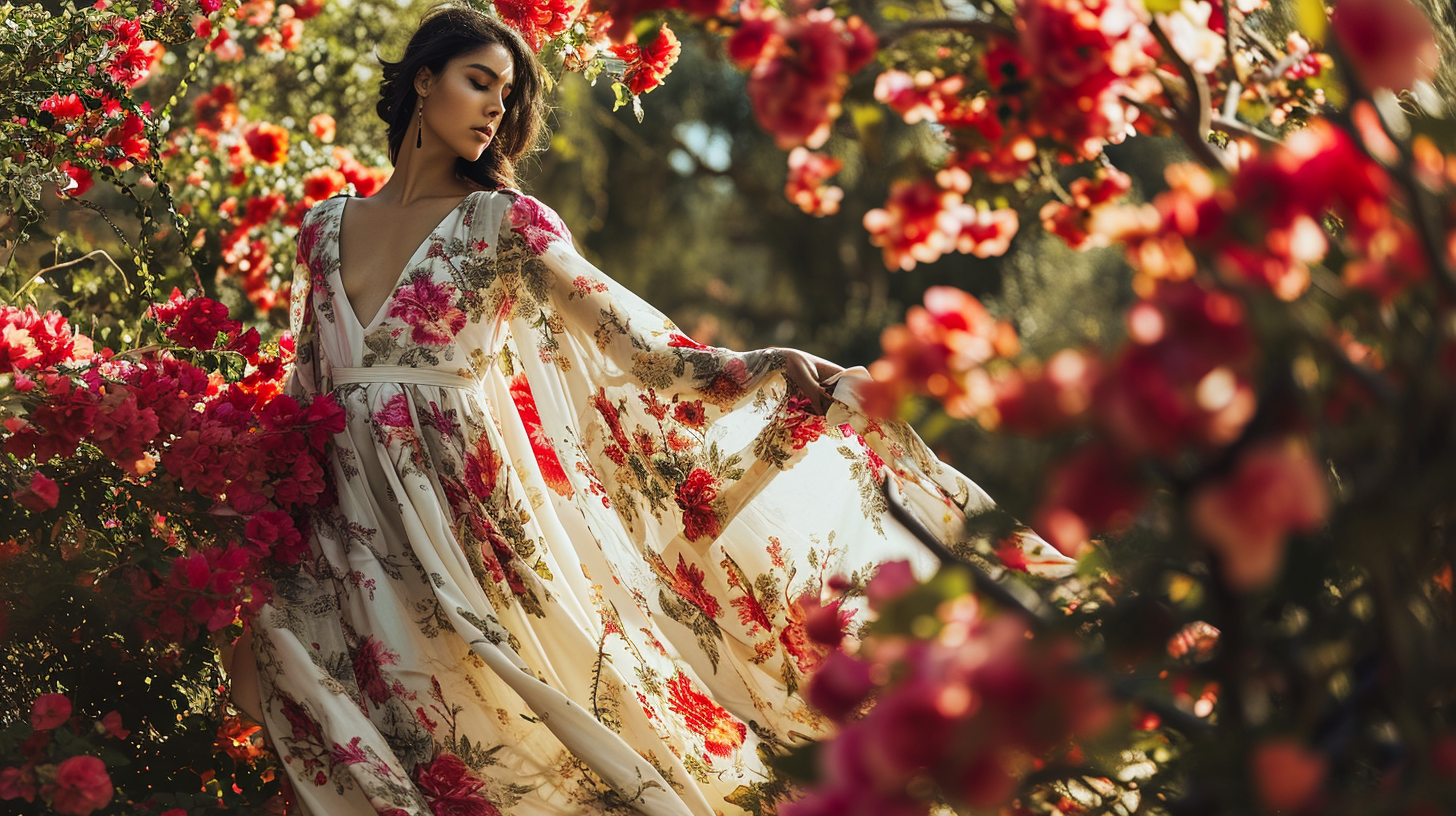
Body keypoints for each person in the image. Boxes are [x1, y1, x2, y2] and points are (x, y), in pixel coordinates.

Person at [229, 5, 1072, 815]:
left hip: (455, 508)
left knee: (499, 704)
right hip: (344, 512)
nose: (497, 107)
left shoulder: (505, 222)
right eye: (479, 81)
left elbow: (636, 346)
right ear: (422, 81)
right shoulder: (324, 227)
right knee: (359, 702)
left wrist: (763, 367)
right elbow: (309, 386)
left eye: (508, 95)